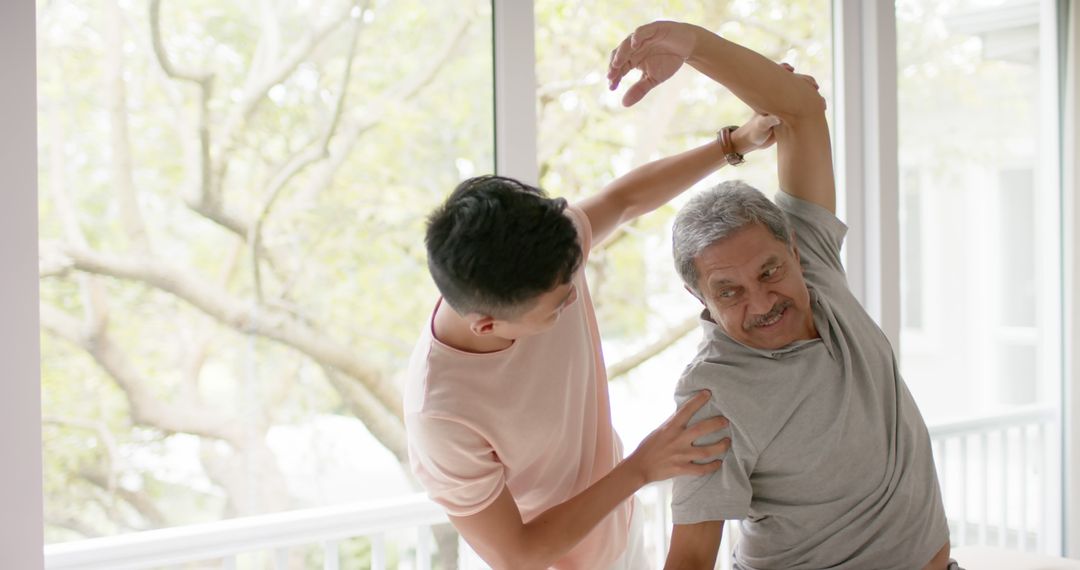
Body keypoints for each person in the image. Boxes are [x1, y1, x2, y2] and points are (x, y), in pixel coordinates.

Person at [607, 21, 955, 570]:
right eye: (730, 291)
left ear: (794, 247)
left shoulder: (813, 259)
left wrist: (694, 45)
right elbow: (692, 558)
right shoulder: (712, 394)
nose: (762, 301)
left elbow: (799, 110)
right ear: (698, 296)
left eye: (770, 272)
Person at [404, 101, 784, 567]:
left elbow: (626, 200)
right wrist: (642, 467)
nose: (573, 302)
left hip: (620, 531)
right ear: (487, 324)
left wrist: (735, 143)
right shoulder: (441, 413)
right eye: (558, 302)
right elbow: (518, 554)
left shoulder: (544, 258)